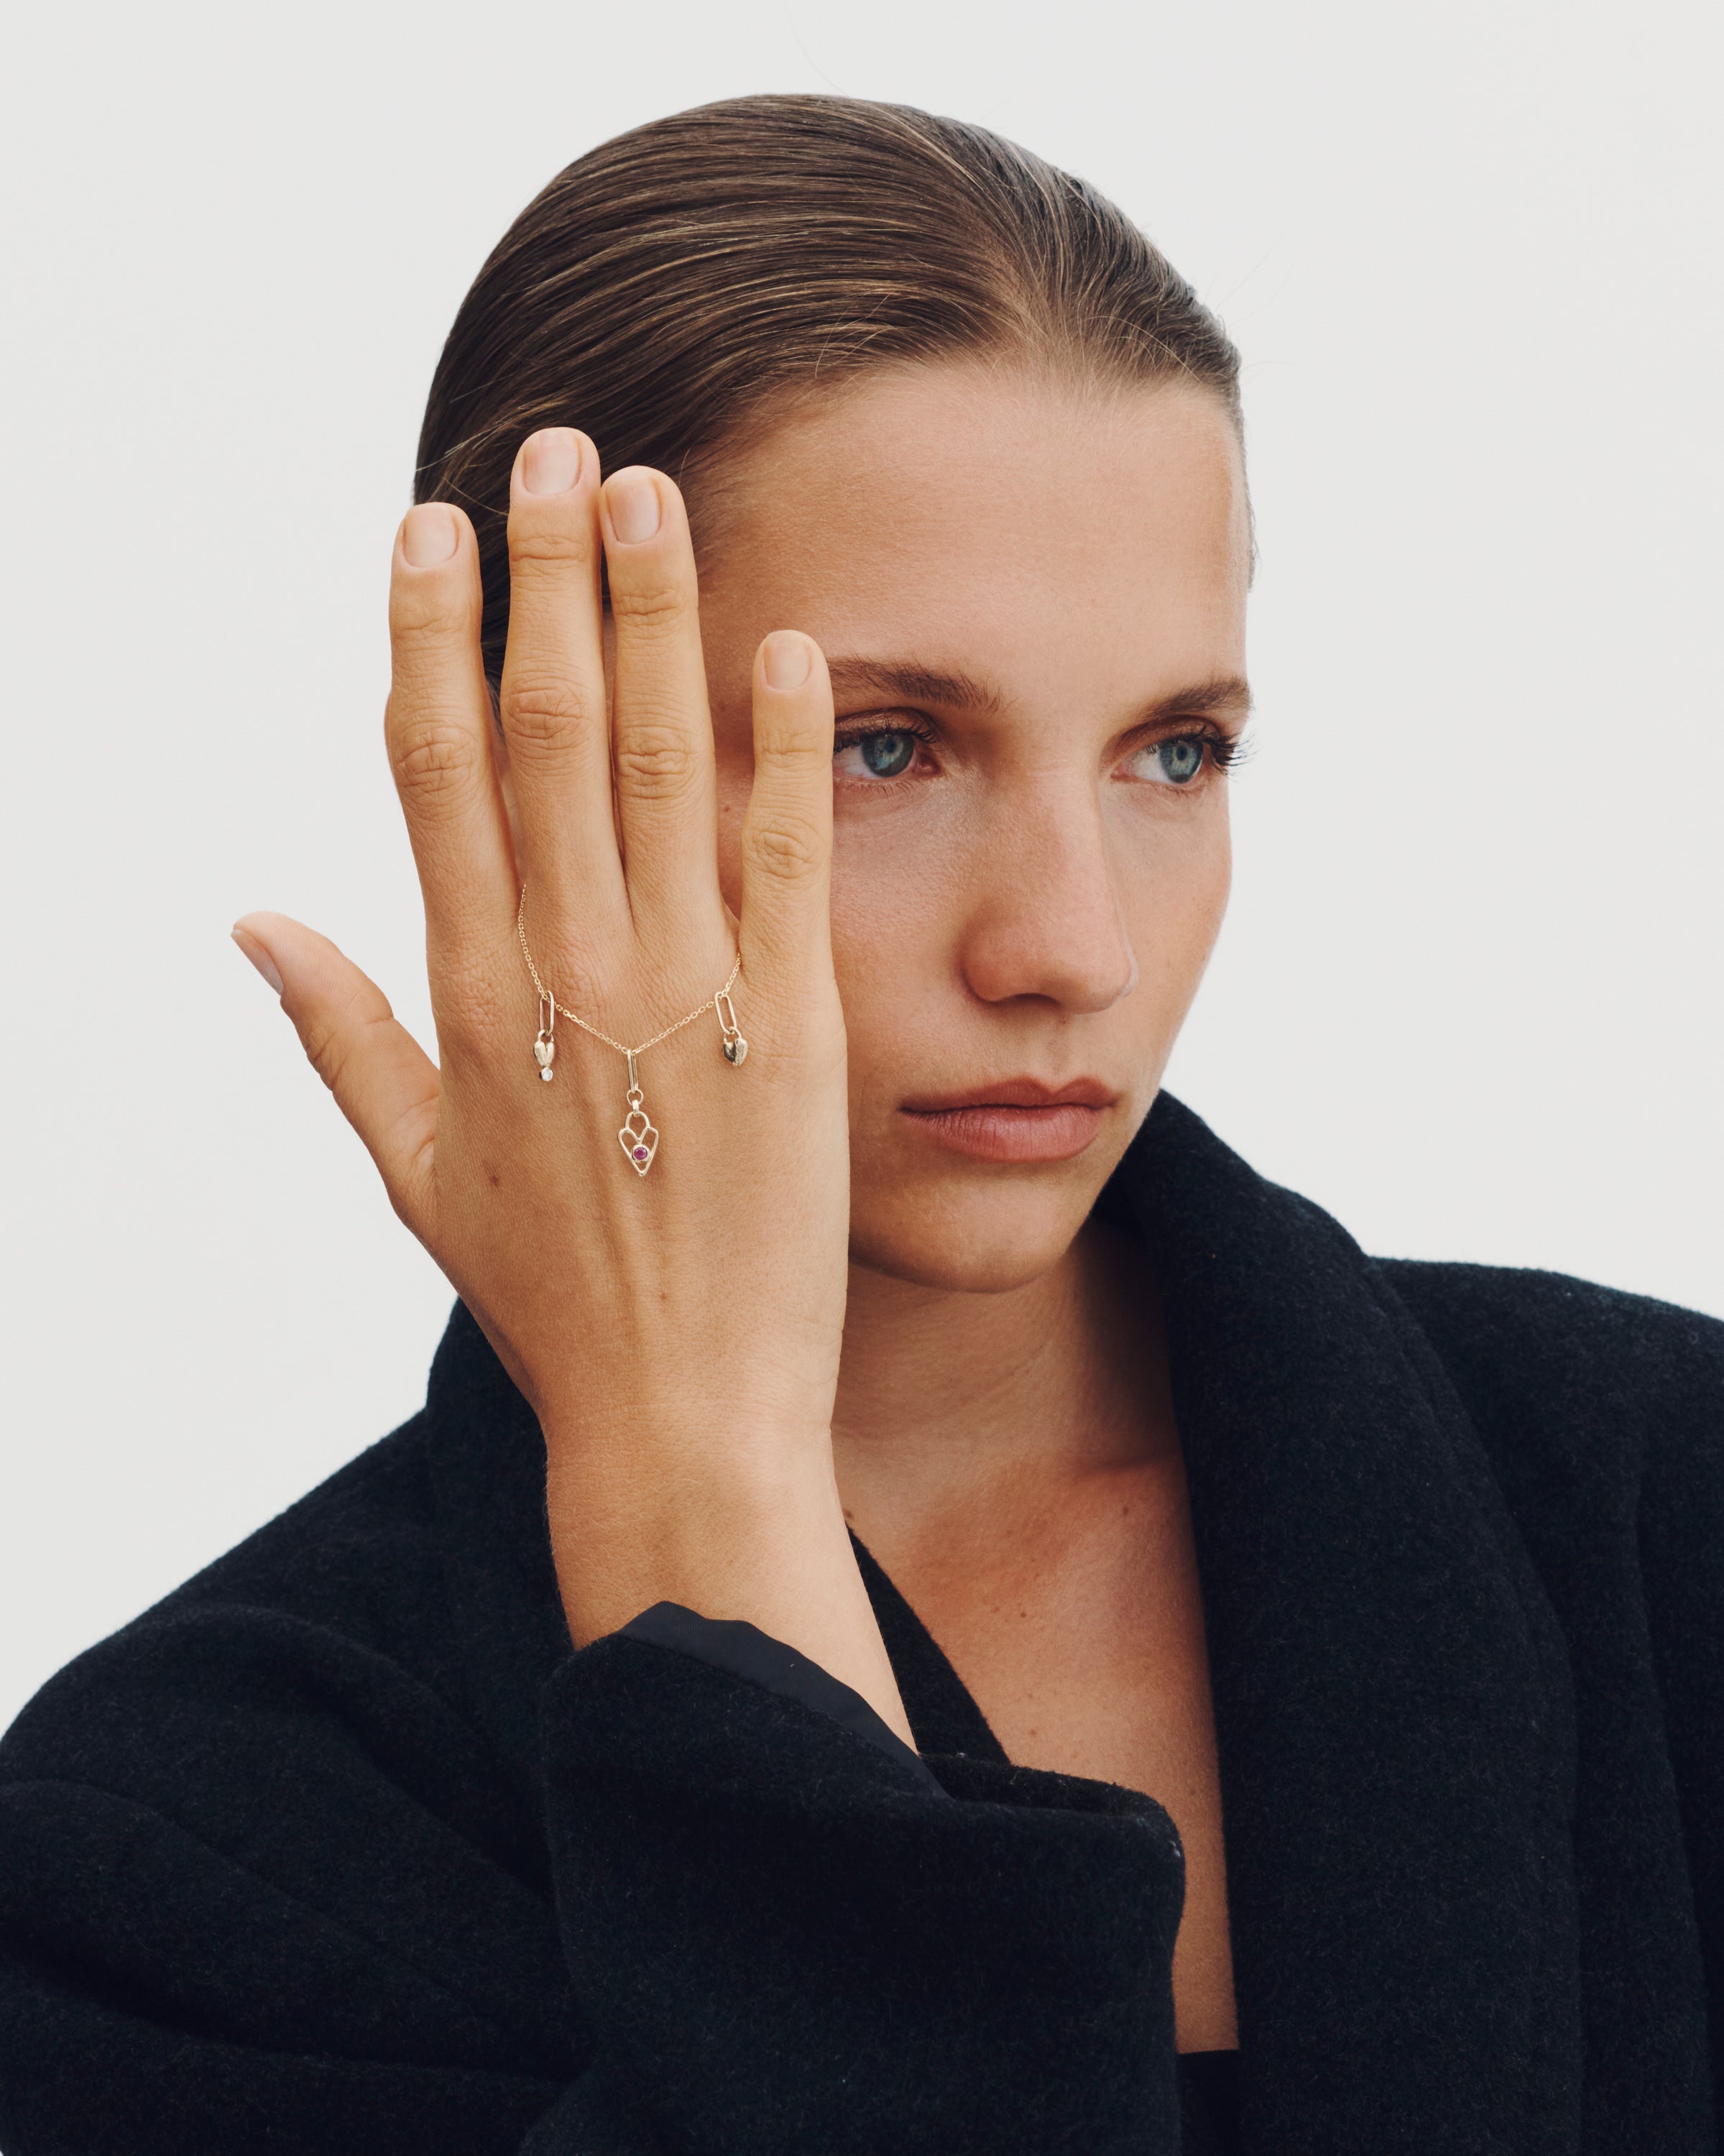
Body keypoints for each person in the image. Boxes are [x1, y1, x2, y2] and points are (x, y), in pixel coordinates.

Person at [1, 93, 1719, 2156]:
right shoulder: (178, 1839)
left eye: (1175, 752)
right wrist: (696, 1498)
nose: (1070, 944)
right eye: (891, 746)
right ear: (509, 752)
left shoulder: (1661, 1514)